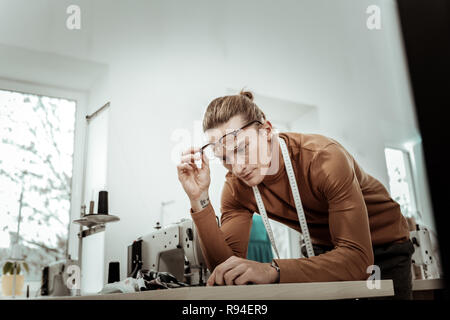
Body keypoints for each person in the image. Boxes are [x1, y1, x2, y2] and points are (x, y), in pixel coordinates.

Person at [176, 90, 415, 299]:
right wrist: (199, 199)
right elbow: (225, 270)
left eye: (242, 148)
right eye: (225, 158)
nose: (237, 167)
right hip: (325, 251)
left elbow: (358, 261)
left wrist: (272, 270)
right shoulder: (237, 187)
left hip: (383, 245)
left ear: (266, 130)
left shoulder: (324, 159)